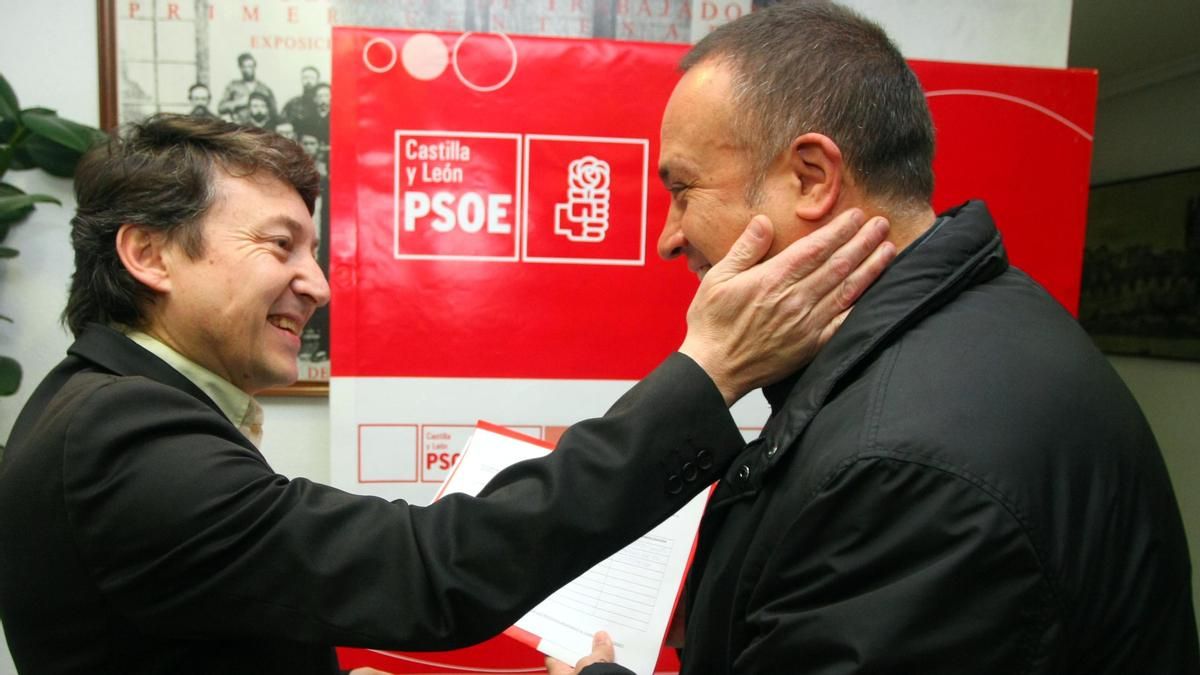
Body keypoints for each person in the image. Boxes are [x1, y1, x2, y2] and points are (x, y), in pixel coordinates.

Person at [0, 113, 893, 673]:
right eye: (279, 247)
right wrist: (708, 374)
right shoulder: (123, 437)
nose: (316, 285)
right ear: (149, 254)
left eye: (313, 252)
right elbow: (435, 566)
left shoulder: (103, 405)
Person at [552, 2, 1199, 673]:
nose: (669, 237)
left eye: (684, 190)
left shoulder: (903, 464)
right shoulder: (968, 332)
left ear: (811, 178)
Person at [218, 51, 277, 123]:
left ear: (255, 67)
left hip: (259, 127)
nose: (248, 70)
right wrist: (239, 103)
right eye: (244, 67)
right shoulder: (233, 86)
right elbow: (221, 107)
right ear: (240, 68)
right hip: (240, 127)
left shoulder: (264, 89)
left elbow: (274, 111)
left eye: (250, 66)